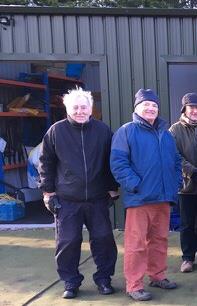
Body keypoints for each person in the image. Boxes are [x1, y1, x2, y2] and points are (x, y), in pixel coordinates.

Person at [39, 88, 118, 299]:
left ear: (91, 109)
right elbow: (45, 163)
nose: (80, 111)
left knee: (103, 240)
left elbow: (110, 162)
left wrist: (112, 188)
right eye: (75, 107)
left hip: (97, 198)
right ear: (67, 109)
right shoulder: (56, 132)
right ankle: (71, 282)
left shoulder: (103, 131)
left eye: (84, 107)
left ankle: (104, 279)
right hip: (67, 200)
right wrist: (48, 192)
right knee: (68, 242)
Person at [111, 89, 181, 301]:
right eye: (146, 105)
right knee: (137, 243)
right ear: (137, 108)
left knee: (159, 240)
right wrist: (135, 185)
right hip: (140, 199)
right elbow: (118, 164)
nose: (150, 108)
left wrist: (175, 182)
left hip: (163, 198)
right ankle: (134, 284)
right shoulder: (126, 132)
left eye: (154, 106)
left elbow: (176, 162)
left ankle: (157, 275)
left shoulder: (166, 134)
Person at [168, 93, 197, 274]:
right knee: (187, 224)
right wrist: (192, 171)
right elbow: (174, 155)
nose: (195, 111)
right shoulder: (174, 130)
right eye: (191, 107)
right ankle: (187, 257)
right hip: (186, 186)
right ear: (184, 109)